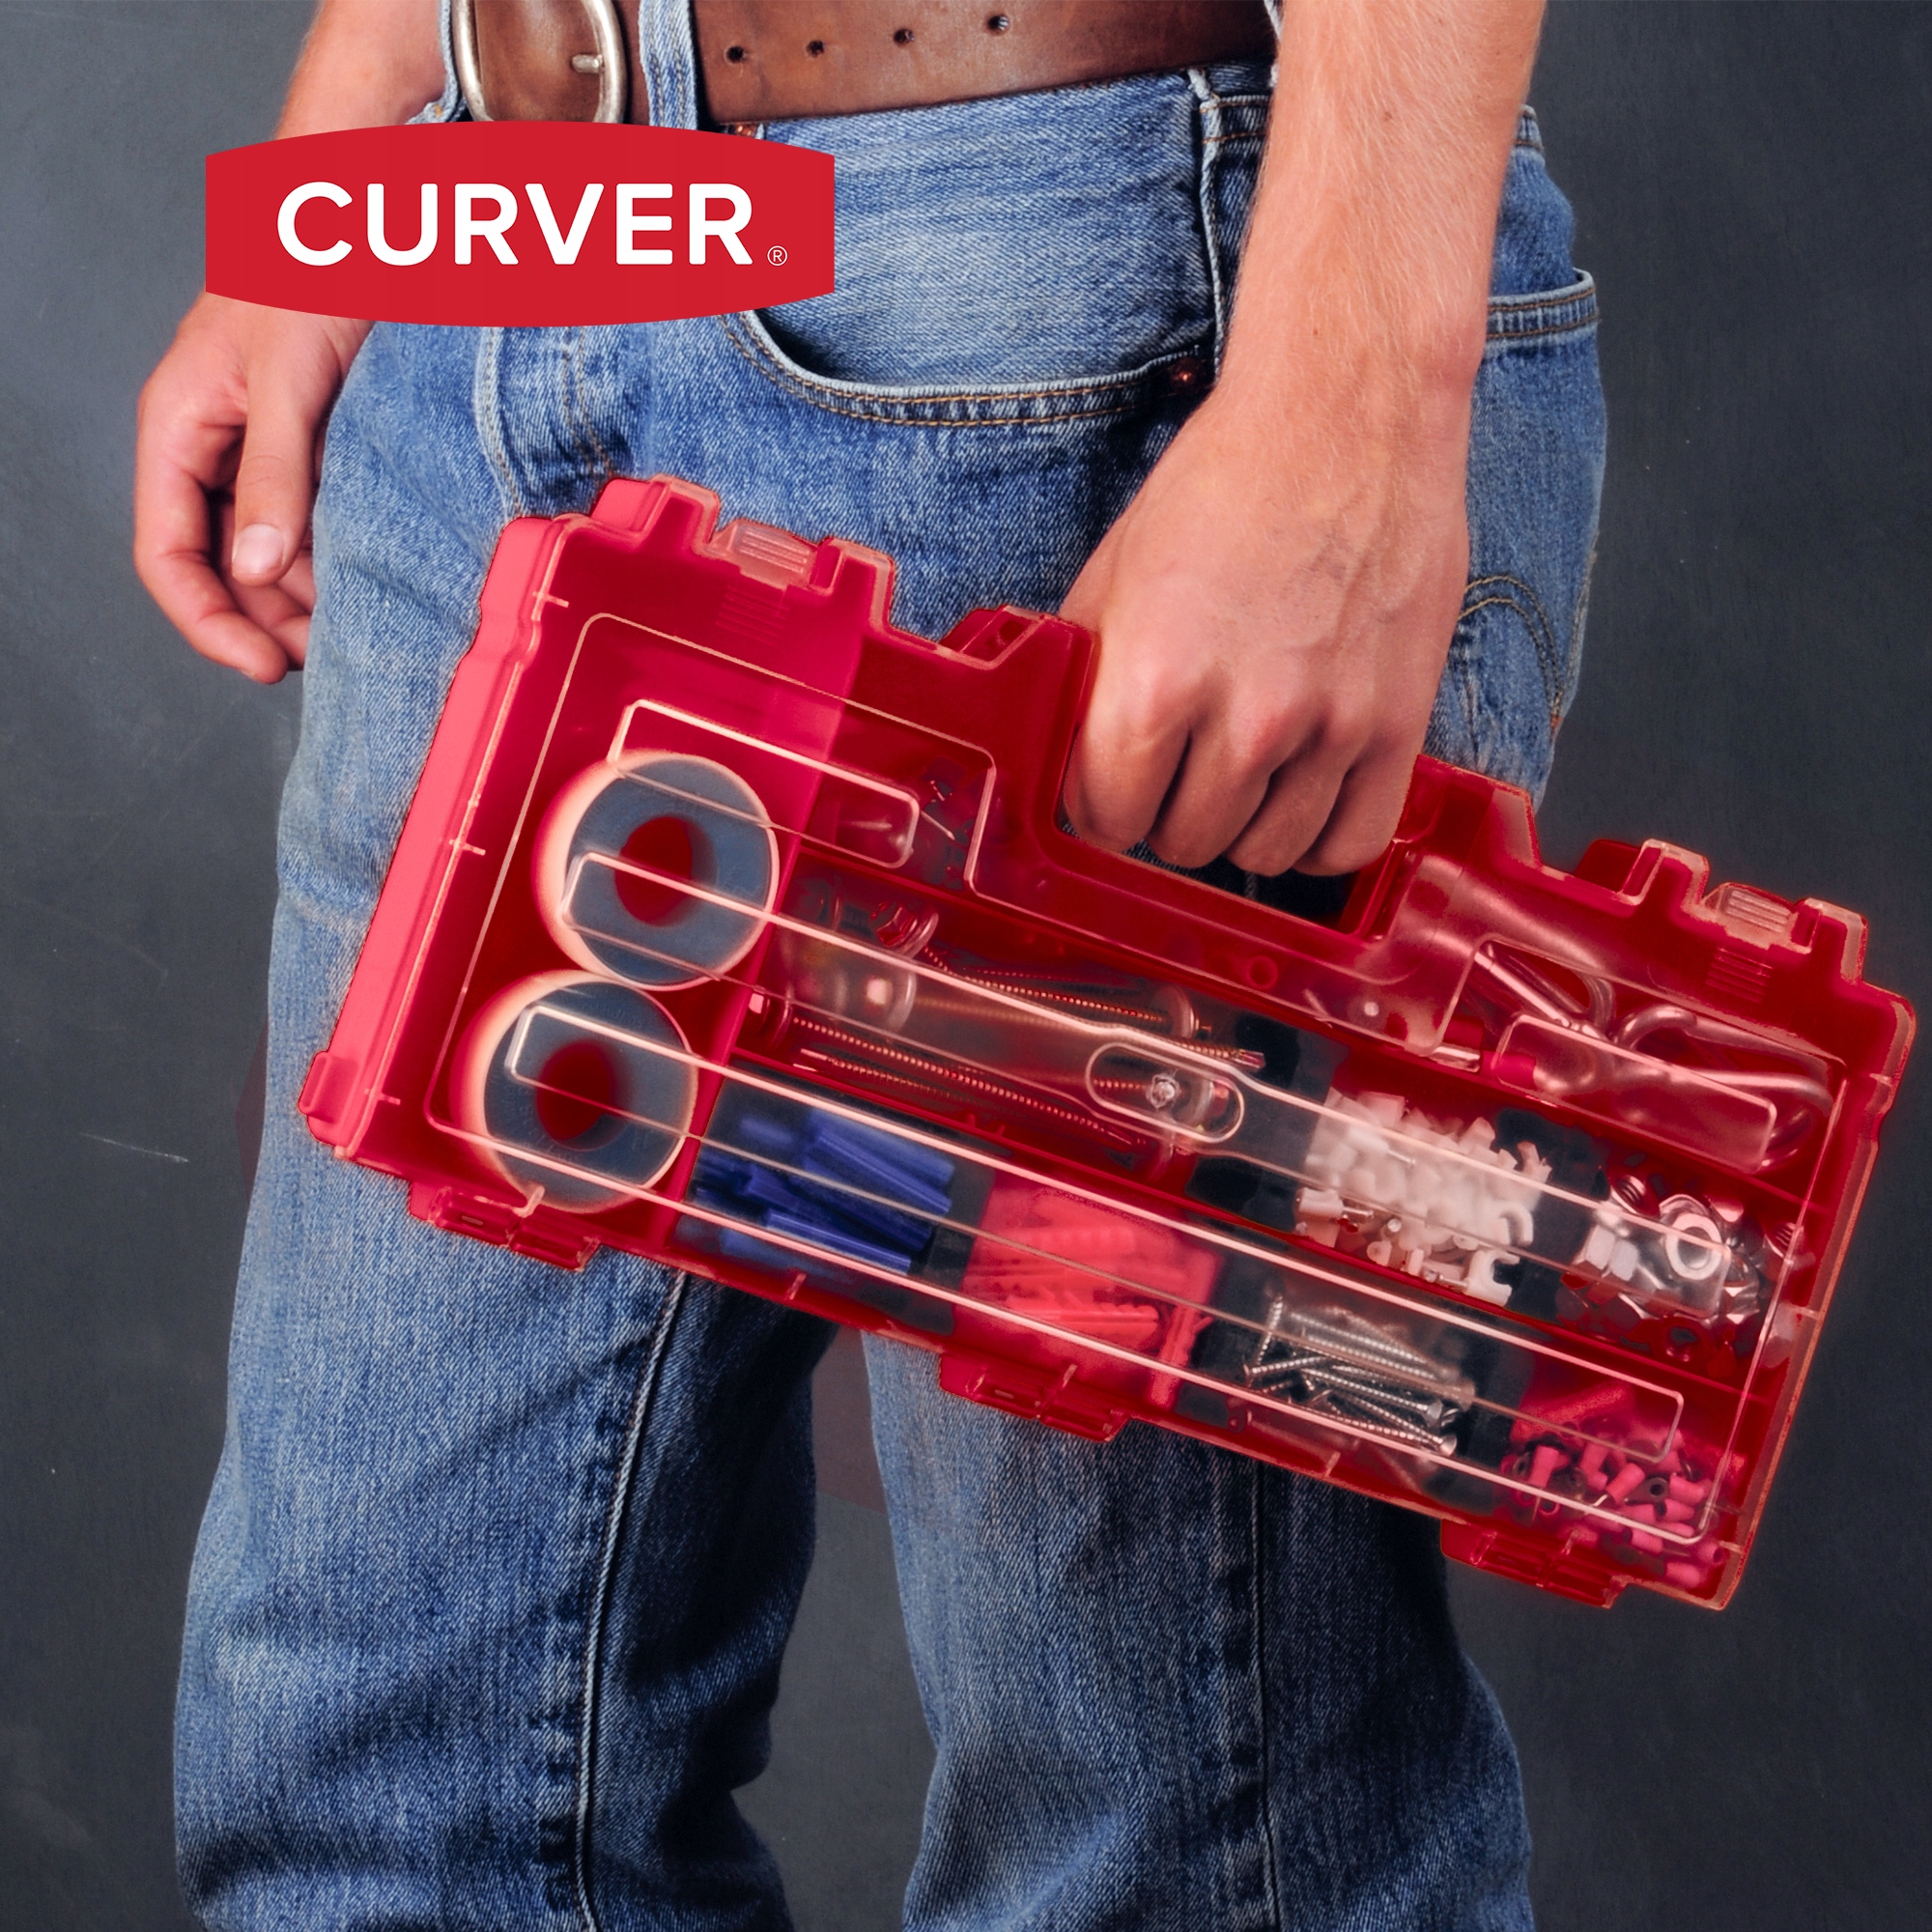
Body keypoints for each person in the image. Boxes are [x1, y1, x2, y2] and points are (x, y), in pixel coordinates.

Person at [136, 2, 1603, 1923]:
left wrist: (1345, 392)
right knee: (386, 1806)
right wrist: (345, 159)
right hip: (495, 233)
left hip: (1073, 258)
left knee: (1176, 1828)